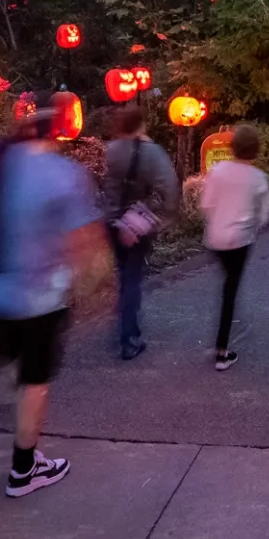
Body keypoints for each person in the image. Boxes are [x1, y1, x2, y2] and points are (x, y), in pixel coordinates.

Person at [0, 109, 108, 497]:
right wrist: (91, 280)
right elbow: (81, 240)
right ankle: (24, 470)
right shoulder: (62, 175)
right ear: (57, 134)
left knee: (13, 361)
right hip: (39, 295)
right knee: (35, 383)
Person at [102, 103, 180, 360]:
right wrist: (163, 216)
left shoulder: (110, 151)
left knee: (124, 273)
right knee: (132, 277)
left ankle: (124, 319)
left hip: (111, 221)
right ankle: (129, 338)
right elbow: (169, 189)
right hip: (138, 223)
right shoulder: (152, 153)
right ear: (141, 124)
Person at [198, 123, 269, 371]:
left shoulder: (217, 171)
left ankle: (225, 339)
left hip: (216, 238)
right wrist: (250, 225)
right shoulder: (259, 179)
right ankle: (222, 351)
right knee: (230, 290)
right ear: (255, 150)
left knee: (228, 285)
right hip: (240, 240)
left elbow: (206, 205)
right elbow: (264, 216)